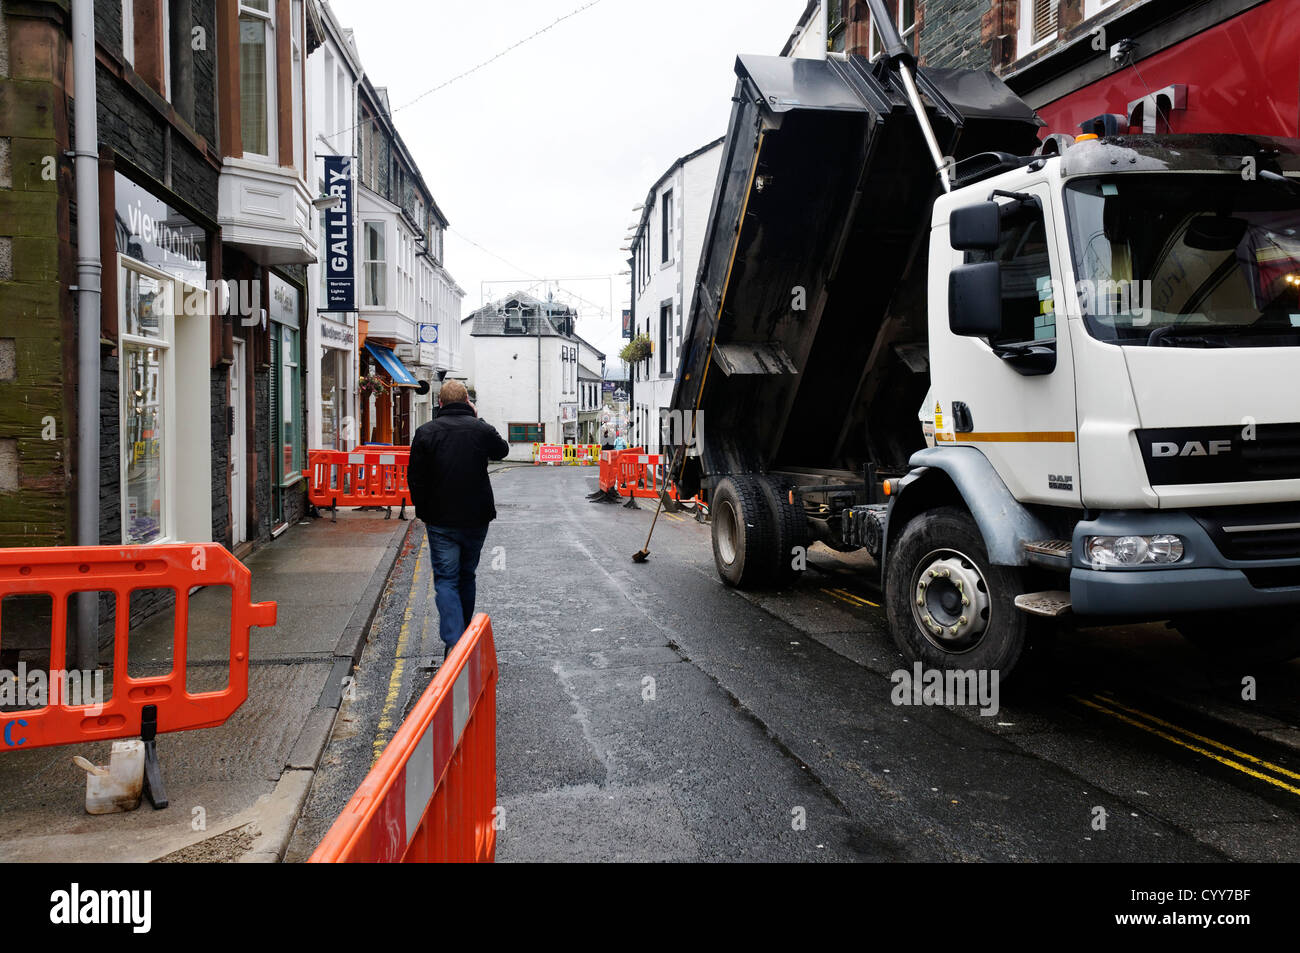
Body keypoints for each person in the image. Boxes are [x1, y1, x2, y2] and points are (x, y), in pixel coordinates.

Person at [407, 380, 509, 657]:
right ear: (467, 402)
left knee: (446, 578)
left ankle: (455, 640)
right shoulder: (480, 429)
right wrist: (478, 419)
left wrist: (423, 510)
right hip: (476, 517)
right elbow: (502, 450)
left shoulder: (425, 432)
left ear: (439, 403)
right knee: (466, 575)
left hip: (440, 519)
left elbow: (414, 477)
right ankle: (462, 638)